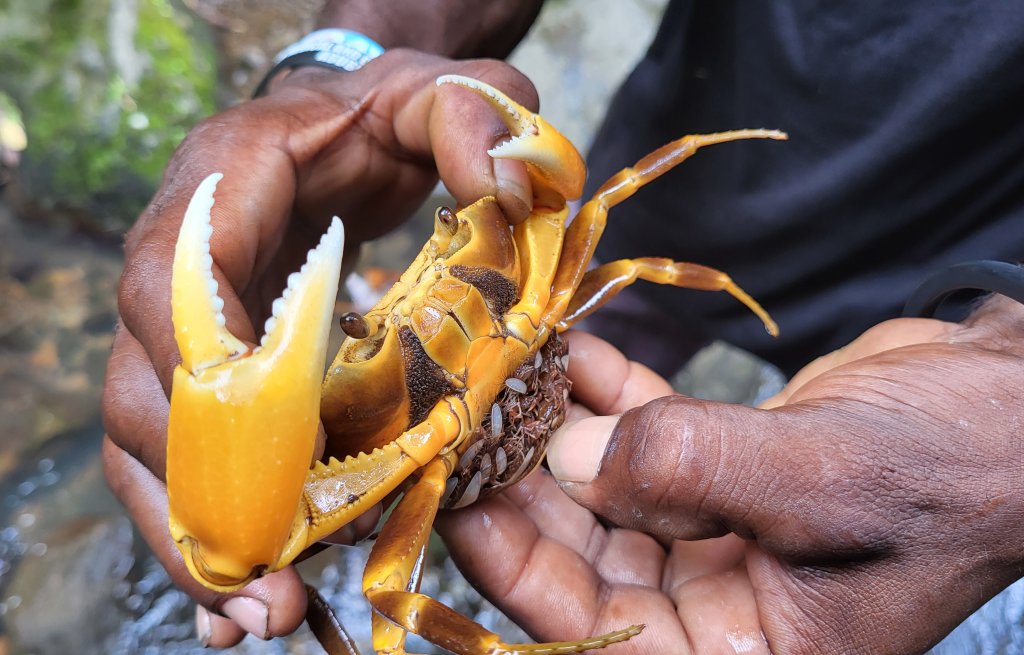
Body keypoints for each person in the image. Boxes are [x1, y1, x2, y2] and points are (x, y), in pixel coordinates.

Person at [102, 1, 1024, 652]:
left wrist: (1006, 394)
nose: (421, 300)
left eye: (441, 241)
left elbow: (597, 204)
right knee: (633, 306)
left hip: (962, 282)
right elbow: (370, 591)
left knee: (622, 257)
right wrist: (343, 64)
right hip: (694, 214)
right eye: (367, 333)